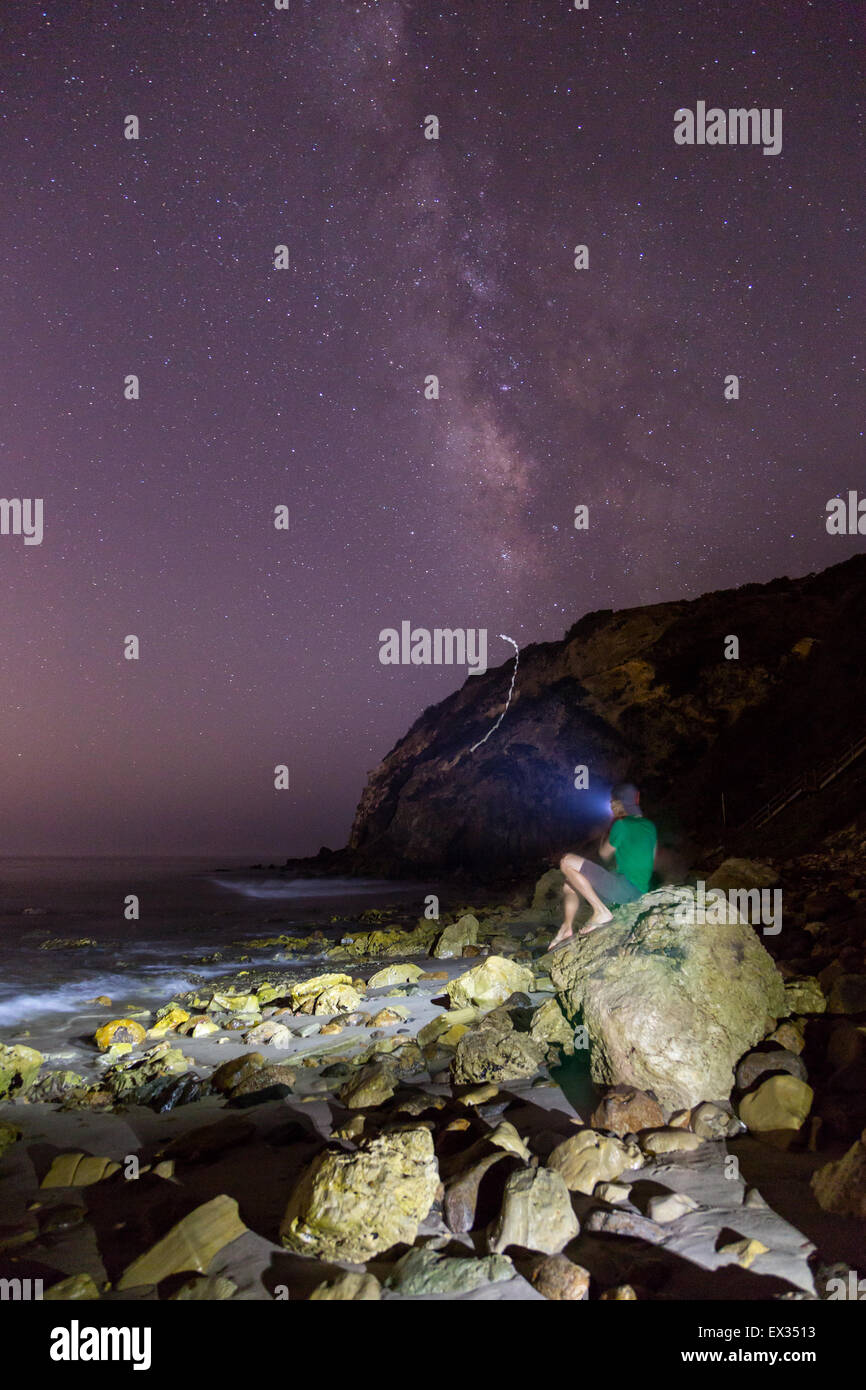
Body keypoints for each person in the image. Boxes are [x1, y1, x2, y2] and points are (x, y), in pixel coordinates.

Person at [549, 782, 657, 948]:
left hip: (624, 889)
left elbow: (605, 853)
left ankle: (601, 912)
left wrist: (604, 834)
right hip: (639, 890)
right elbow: (651, 858)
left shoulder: (621, 825)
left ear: (620, 803)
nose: (611, 805)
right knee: (569, 882)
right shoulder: (650, 827)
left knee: (567, 861)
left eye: (613, 802)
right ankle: (567, 928)